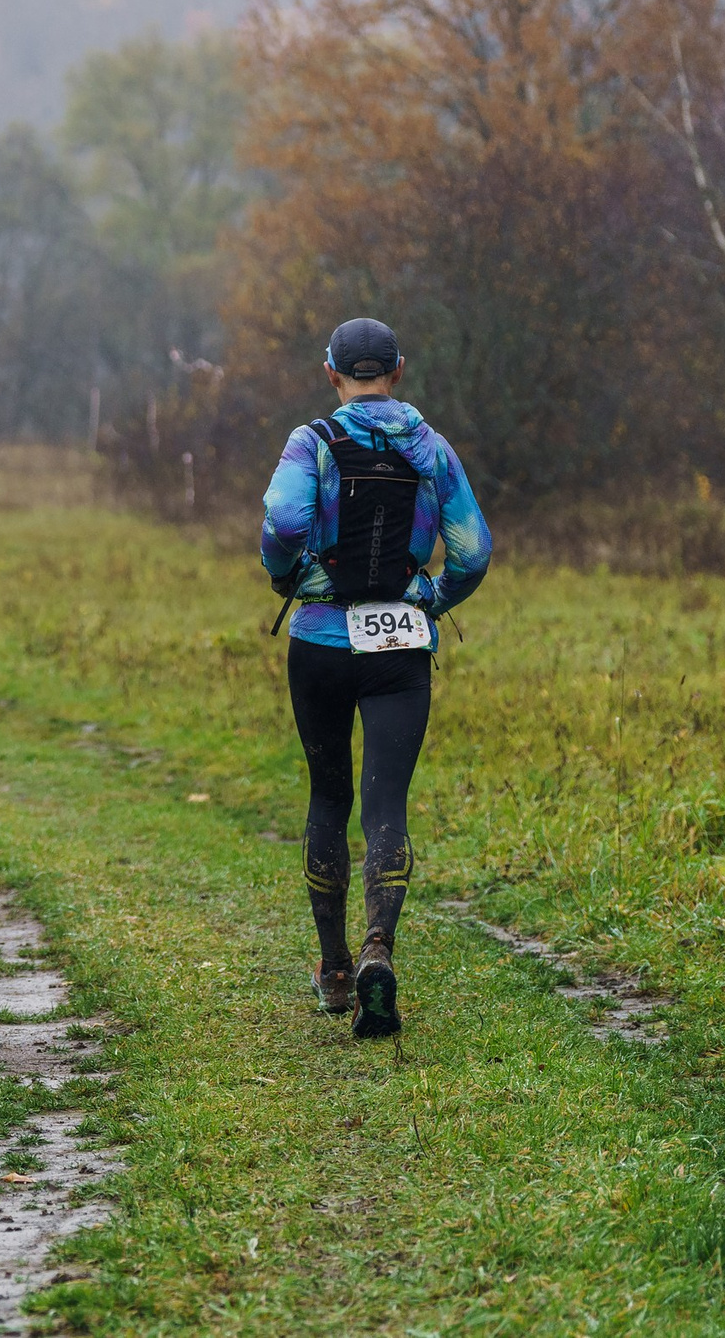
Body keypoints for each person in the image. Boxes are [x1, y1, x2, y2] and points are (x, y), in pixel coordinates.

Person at [259, 318, 488, 1039]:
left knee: (328, 795)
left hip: (322, 638)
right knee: (386, 801)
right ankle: (377, 952)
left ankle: (332, 969)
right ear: (398, 370)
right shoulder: (433, 450)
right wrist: (428, 597)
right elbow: (473, 552)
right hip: (400, 647)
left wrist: (285, 574)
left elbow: (284, 518)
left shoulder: (313, 442)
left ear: (332, 373)